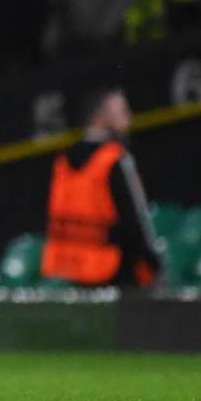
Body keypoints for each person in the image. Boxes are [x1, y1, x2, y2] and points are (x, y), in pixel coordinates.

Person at [41, 88, 162, 288]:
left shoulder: (62, 161)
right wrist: (154, 265)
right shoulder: (115, 159)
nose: (129, 119)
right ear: (101, 117)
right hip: (113, 270)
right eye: (123, 112)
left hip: (70, 271)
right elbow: (136, 220)